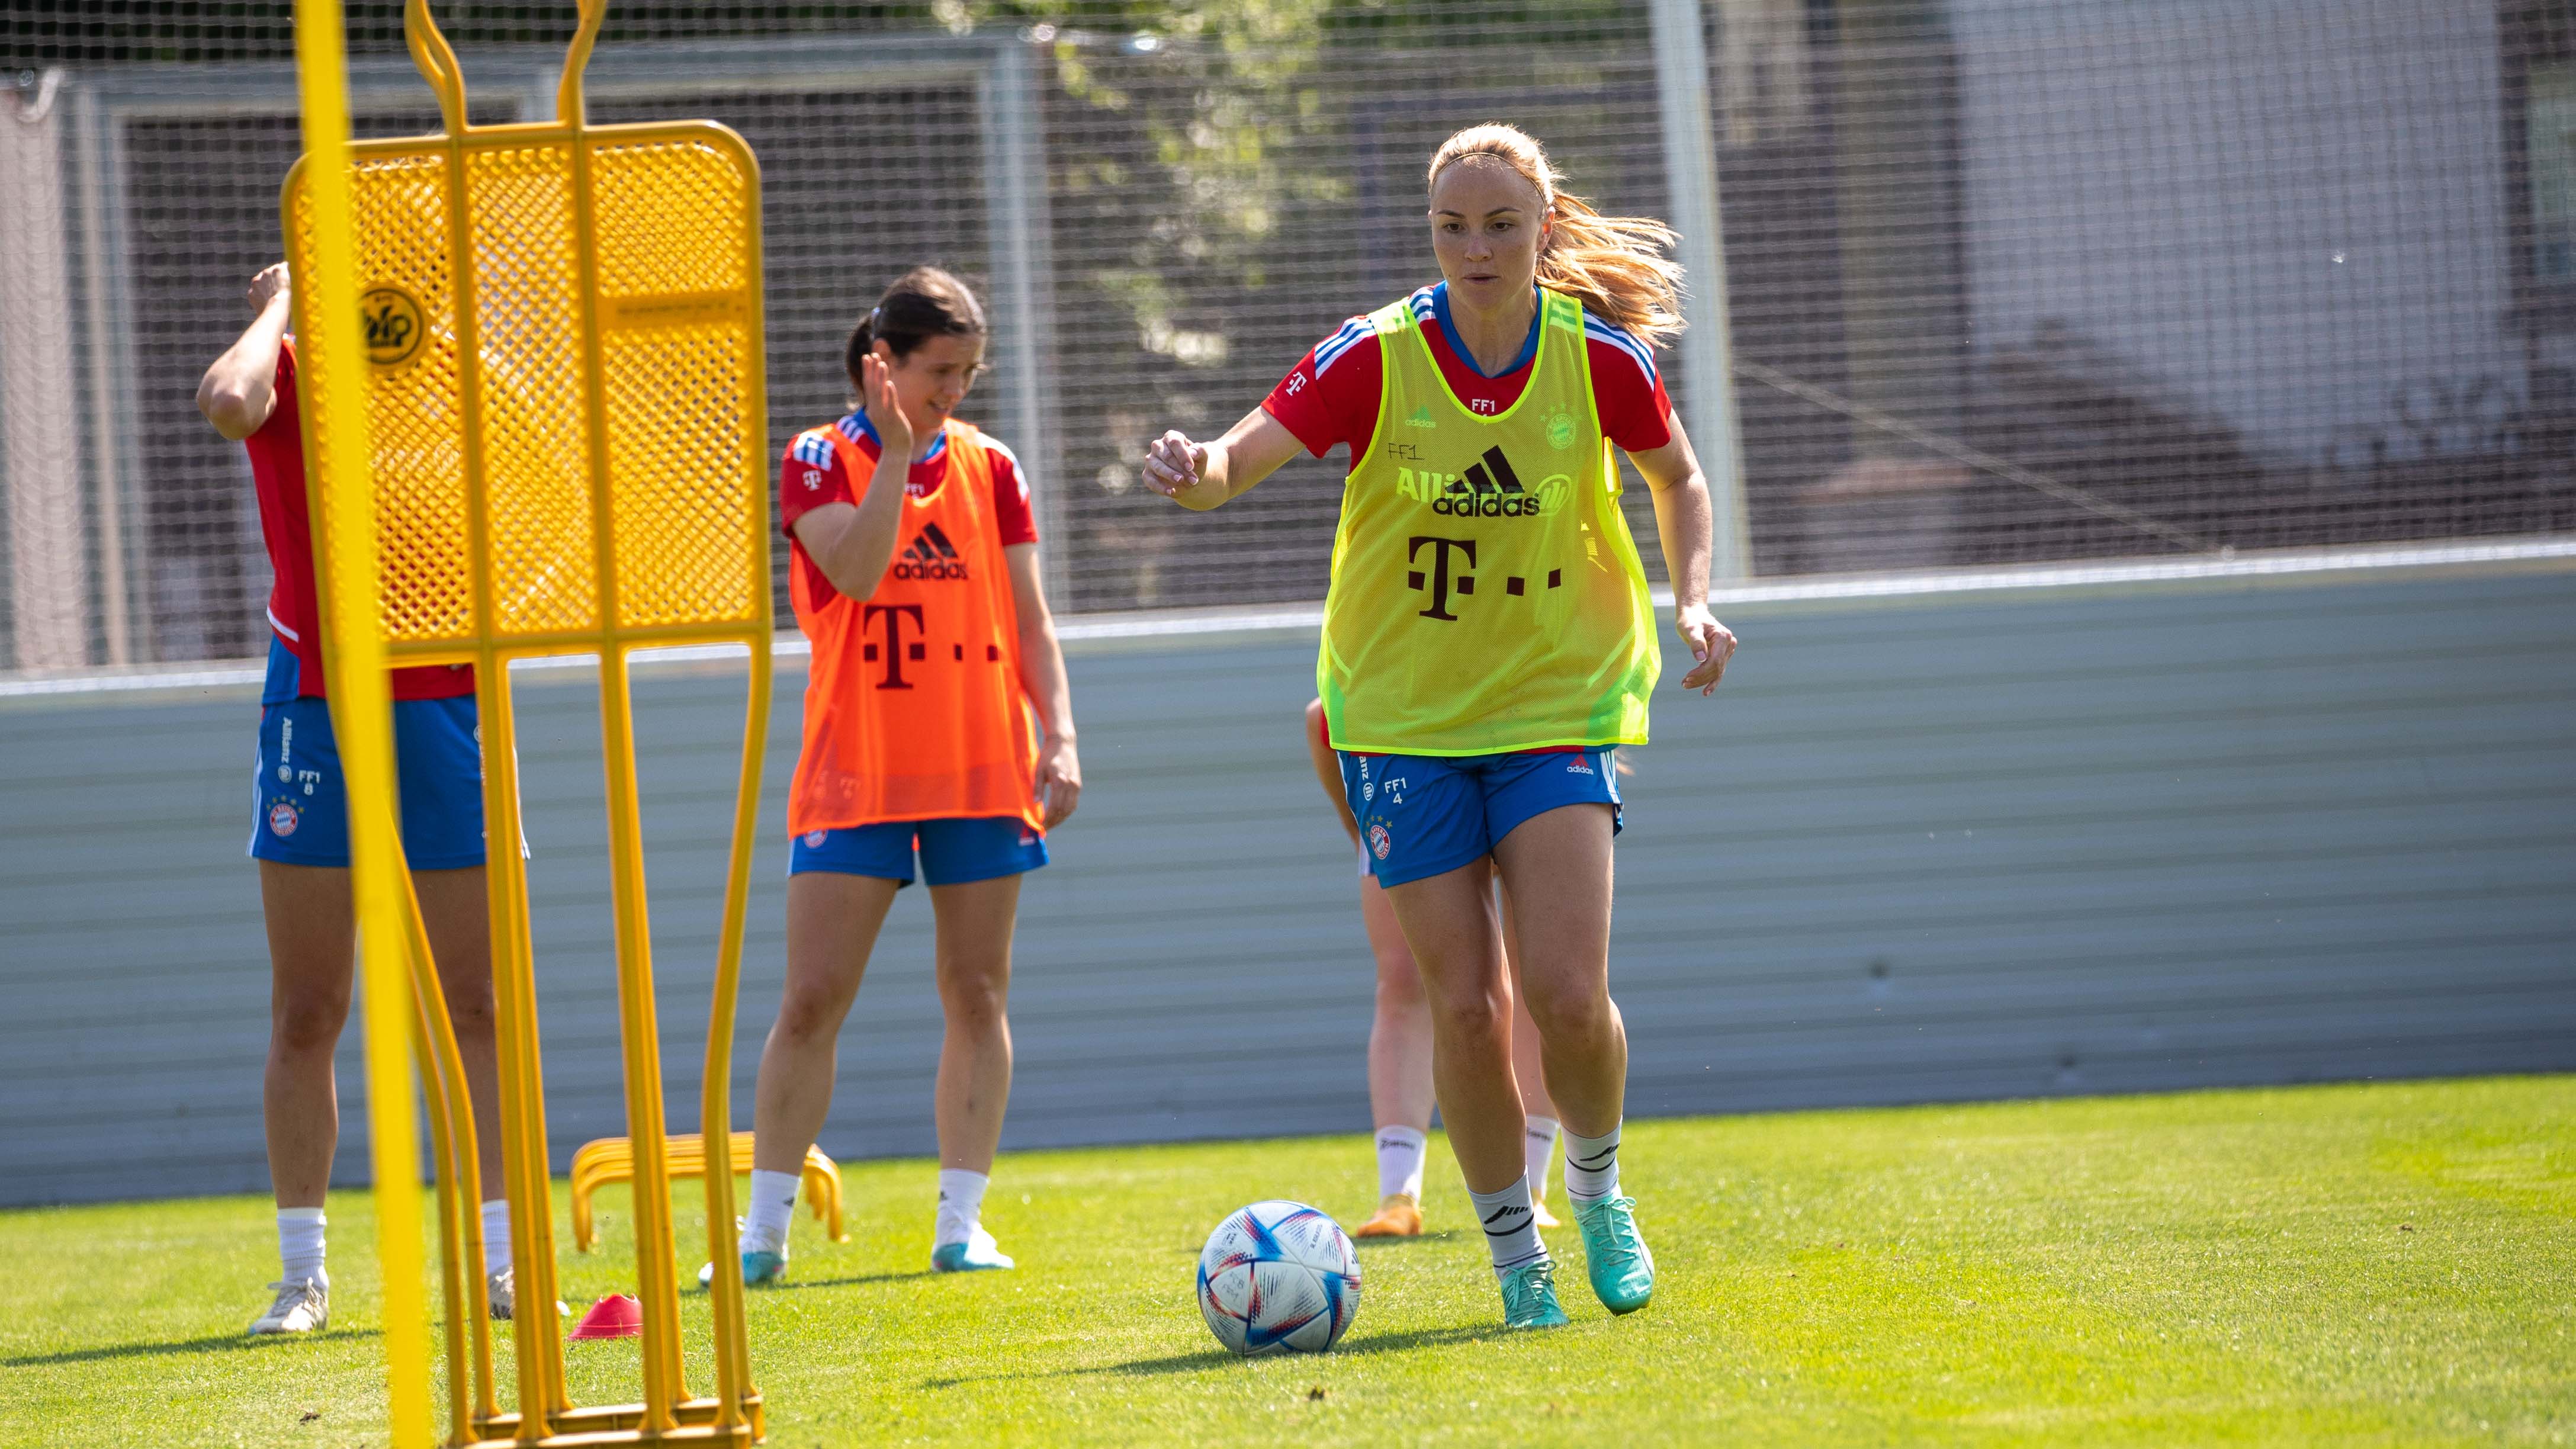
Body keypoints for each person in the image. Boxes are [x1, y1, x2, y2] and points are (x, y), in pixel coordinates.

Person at [1143, 125, 1739, 1329]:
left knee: (1569, 993)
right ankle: (1516, 1255)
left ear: (1544, 228)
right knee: (1463, 1003)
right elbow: (1234, 462)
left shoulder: (1601, 362)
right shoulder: (1373, 355)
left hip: (1553, 702)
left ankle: (1600, 1184)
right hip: (1401, 720)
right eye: (1452, 226)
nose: (1475, 246)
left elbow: (1677, 477)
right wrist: (1193, 464)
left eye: (1500, 224)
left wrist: (1694, 598)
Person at [716, 266, 1080, 1286]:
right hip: (856, 770)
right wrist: (898, 459)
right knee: (811, 999)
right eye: (938, 371)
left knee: (977, 990)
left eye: (968, 373)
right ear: (885, 366)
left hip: (978, 765)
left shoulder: (994, 467)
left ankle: (961, 1224)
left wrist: (1061, 735)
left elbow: (1031, 619)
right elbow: (861, 572)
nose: (954, 392)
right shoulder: (817, 459)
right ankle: (764, 1234)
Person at [197, 263, 519, 1335]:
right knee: (308, 1007)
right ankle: (303, 1277)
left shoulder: (457, 375)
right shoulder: (287, 369)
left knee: (474, 1004)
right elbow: (229, 403)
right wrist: (282, 306)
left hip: (447, 702)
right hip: (314, 696)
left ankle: (502, 1261)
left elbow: (546, 476)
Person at [1302, 699, 1565, 1238]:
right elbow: (1323, 720)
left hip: (1521, 742)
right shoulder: (1369, 665)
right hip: (1407, 755)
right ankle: (1397, 1195)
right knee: (1402, 978)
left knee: (1538, 973)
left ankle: (1532, 1186)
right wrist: (1366, 836)